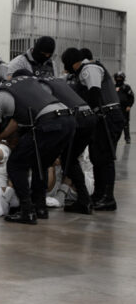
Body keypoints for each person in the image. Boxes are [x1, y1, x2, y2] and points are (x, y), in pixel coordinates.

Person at [0, 70, 76, 224]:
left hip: (49, 123)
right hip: (68, 120)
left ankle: (27, 210)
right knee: (41, 163)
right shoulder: (30, 83)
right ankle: (40, 208)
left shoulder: (0, 95)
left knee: (15, 165)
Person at [61, 48, 125, 211]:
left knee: (105, 157)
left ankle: (108, 197)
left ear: (73, 62)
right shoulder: (84, 71)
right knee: (97, 157)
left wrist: (89, 112)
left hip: (108, 116)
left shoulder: (90, 69)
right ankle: (98, 194)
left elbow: (94, 91)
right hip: (101, 116)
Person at [37, 75, 97, 214]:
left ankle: (84, 200)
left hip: (77, 120)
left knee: (68, 161)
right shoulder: (58, 81)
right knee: (70, 160)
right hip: (89, 117)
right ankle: (84, 200)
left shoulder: (41, 85)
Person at [114, 72, 133, 145]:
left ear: (123, 78)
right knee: (115, 123)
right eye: (117, 78)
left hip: (124, 108)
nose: (118, 79)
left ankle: (127, 138)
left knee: (125, 123)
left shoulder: (126, 87)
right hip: (116, 108)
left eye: (120, 78)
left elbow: (131, 97)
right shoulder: (113, 87)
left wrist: (129, 106)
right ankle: (115, 137)